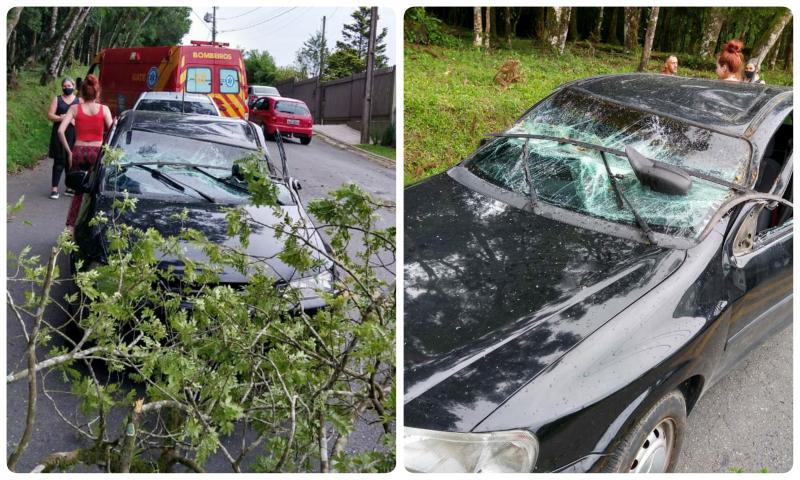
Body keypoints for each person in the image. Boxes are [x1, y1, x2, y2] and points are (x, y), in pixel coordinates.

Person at [58, 74, 113, 233]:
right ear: (97, 93)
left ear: (81, 93)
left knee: (79, 191)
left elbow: (61, 131)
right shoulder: (104, 109)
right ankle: (95, 226)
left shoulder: (74, 109)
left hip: (79, 151)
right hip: (97, 153)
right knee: (97, 189)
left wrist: (69, 152)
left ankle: (70, 227)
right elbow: (112, 130)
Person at [47, 77, 80, 199]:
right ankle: (54, 189)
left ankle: (69, 187)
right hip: (59, 133)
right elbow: (50, 115)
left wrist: (71, 120)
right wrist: (62, 118)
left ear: (74, 87)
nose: (67, 88)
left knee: (70, 161)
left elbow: (82, 118)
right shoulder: (57, 99)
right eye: (64, 86)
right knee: (59, 160)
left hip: (73, 133)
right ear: (62, 87)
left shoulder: (78, 101)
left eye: (69, 86)